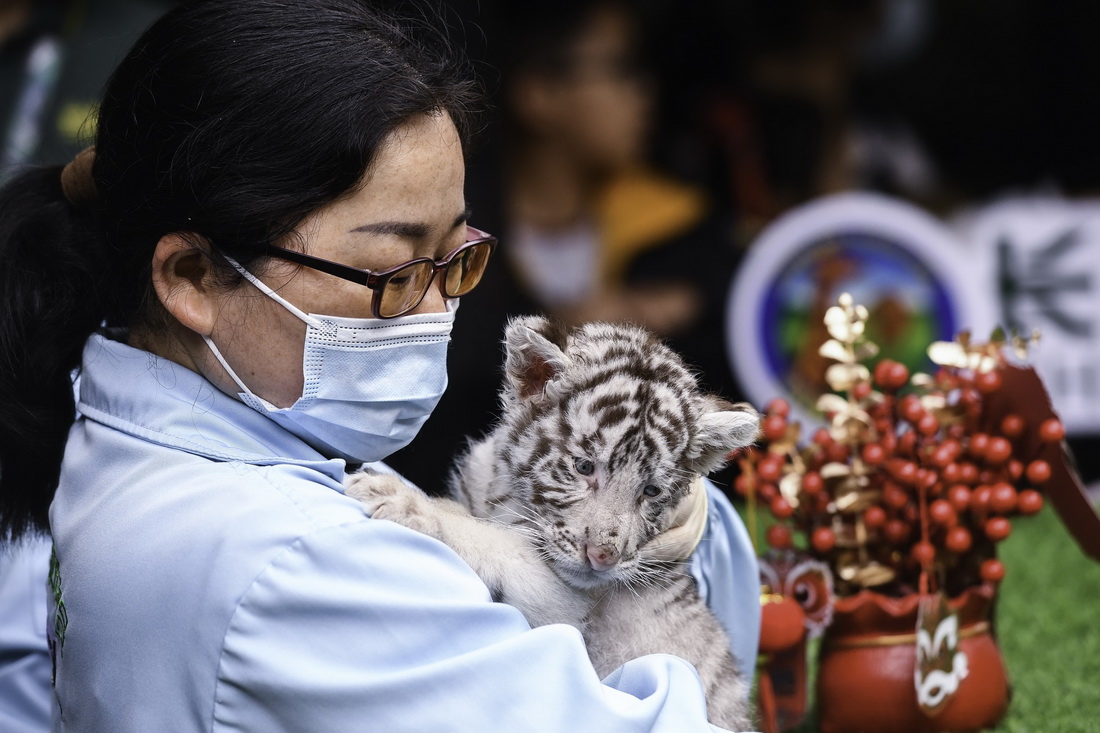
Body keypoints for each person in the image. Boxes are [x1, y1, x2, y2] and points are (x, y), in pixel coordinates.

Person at [0, 1, 760, 730]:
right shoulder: (302, 565)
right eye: (393, 274)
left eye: (454, 260)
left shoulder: (110, 429)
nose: (436, 314)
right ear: (194, 277)